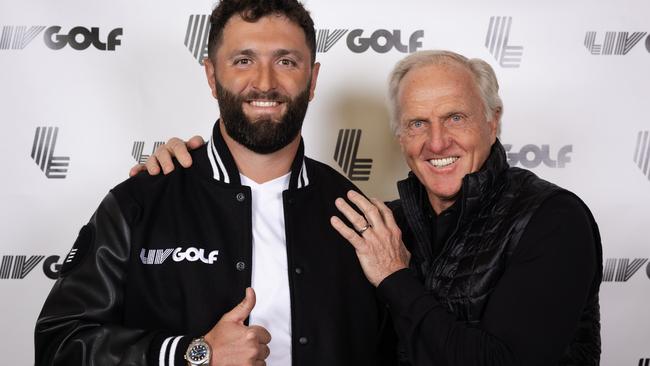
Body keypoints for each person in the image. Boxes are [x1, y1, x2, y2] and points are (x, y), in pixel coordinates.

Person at [146, 50, 602, 366]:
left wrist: (394, 278)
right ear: (400, 136)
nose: (437, 141)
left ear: (493, 119)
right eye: (417, 123)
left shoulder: (552, 219)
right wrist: (184, 172)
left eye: (455, 117)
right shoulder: (383, 221)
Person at [34, 1, 395, 365]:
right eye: (243, 61)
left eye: (286, 61)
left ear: (313, 79)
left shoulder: (356, 215)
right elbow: (59, 344)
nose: (265, 83)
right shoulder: (141, 201)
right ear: (211, 76)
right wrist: (193, 354)